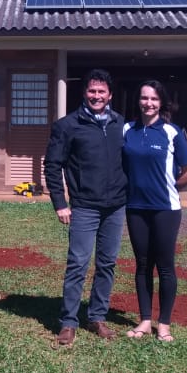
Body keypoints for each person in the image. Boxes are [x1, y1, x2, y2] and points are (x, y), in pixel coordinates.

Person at [44, 69, 129, 346]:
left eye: (101, 91)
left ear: (110, 95)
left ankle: (97, 316)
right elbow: (52, 165)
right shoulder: (68, 125)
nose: (96, 96)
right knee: (78, 263)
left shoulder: (120, 124)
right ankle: (69, 322)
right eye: (92, 91)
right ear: (85, 93)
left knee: (107, 263)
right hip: (83, 207)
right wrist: (60, 203)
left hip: (115, 206)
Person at [122, 80, 187, 342]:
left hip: (165, 209)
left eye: (154, 99)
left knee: (165, 267)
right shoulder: (126, 130)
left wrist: (169, 187)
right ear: (139, 101)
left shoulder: (171, 132)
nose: (148, 103)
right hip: (135, 208)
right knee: (143, 265)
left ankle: (163, 324)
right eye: (144, 98)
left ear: (161, 102)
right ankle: (144, 321)